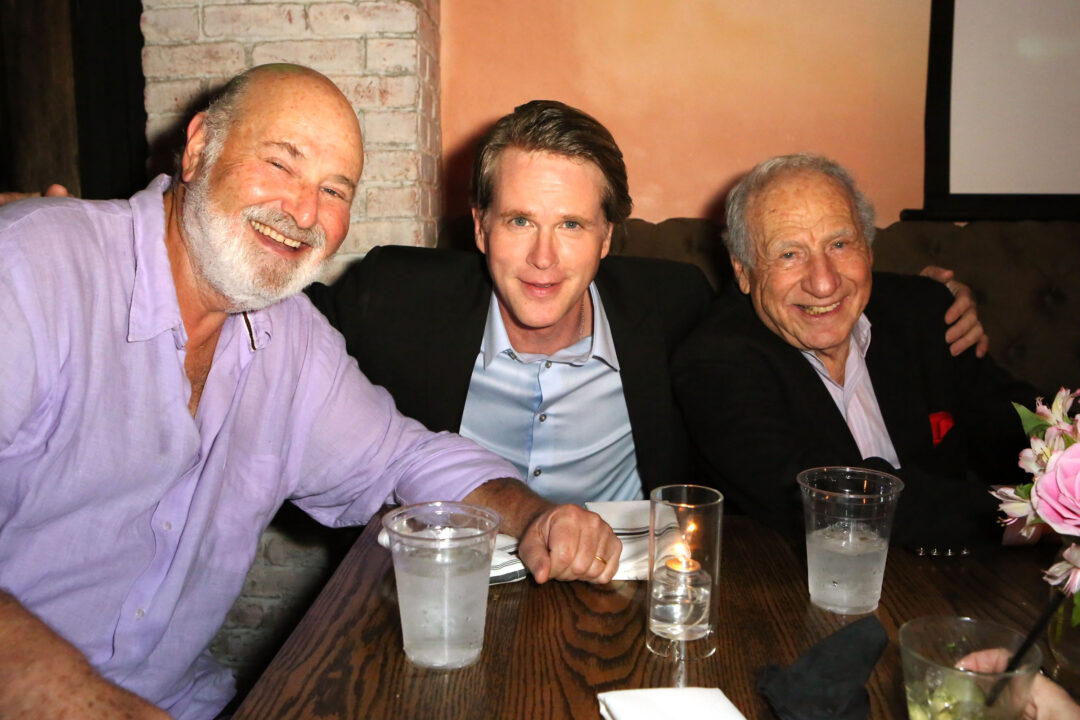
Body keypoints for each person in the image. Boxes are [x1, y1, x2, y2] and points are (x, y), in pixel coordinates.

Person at [0, 65, 618, 720]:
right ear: (199, 146)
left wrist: (535, 516)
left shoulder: (290, 337)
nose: (303, 212)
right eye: (280, 164)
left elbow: (403, 458)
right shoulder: (34, 267)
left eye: (333, 190)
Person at [304, 101, 987, 506]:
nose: (543, 258)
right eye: (518, 221)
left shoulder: (676, 307)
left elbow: (796, 296)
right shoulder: (394, 296)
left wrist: (923, 301)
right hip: (444, 590)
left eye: (572, 225)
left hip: (626, 593)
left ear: (608, 237)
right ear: (480, 228)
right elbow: (270, 325)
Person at [672, 153, 1036, 553]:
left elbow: (1020, 427)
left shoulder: (928, 311)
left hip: (958, 573)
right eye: (789, 254)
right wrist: (1035, 514)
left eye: (840, 244)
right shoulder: (715, 362)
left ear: (869, 248)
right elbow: (832, 498)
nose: (824, 283)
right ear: (743, 271)